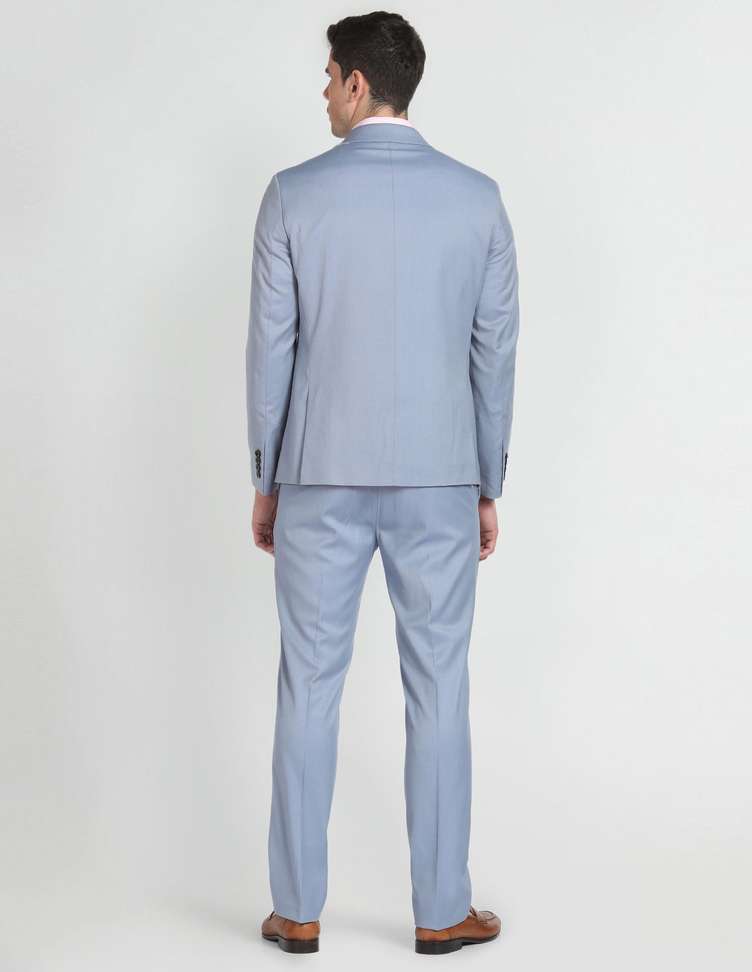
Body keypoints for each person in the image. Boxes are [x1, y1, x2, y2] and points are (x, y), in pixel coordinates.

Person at [246, 11, 520, 956]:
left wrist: (267, 475)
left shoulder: (292, 196)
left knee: (308, 685)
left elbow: (272, 352)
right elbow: (494, 355)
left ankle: (296, 910)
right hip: (440, 479)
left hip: (317, 475)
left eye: (330, 76)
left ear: (359, 84)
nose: (324, 91)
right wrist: (485, 479)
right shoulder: (478, 200)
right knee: (439, 689)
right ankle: (441, 912)